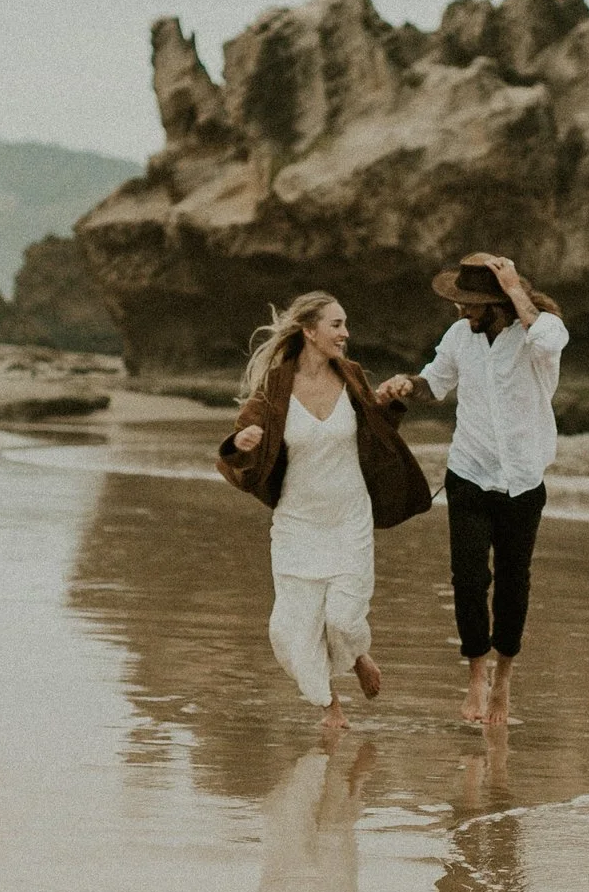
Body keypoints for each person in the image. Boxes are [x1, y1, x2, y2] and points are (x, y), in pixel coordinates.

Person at [218, 292, 434, 729]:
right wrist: (240, 444)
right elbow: (237, 444)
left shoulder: (351, 376)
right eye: (336, 324)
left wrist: (391, 401)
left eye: (345, 324)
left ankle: (355, 653)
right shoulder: (275, 387)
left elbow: (375, 432)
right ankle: (329, 706)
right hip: (297, 523)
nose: (345, 333)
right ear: (309, 331)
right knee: (294, 626)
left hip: (349, 518)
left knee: (343, 618)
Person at [377, 253, 568, 727]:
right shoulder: (460, 336)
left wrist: (516, 289)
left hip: (522, 480)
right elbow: (434, 384)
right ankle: (476, 675)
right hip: (468, 473)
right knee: (467, 579)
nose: (461, 309)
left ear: (496, 301)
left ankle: (504, 680)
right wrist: (408, 385)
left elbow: (550, 337)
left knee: (513, 581)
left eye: (470, 302)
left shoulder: (538, 336)